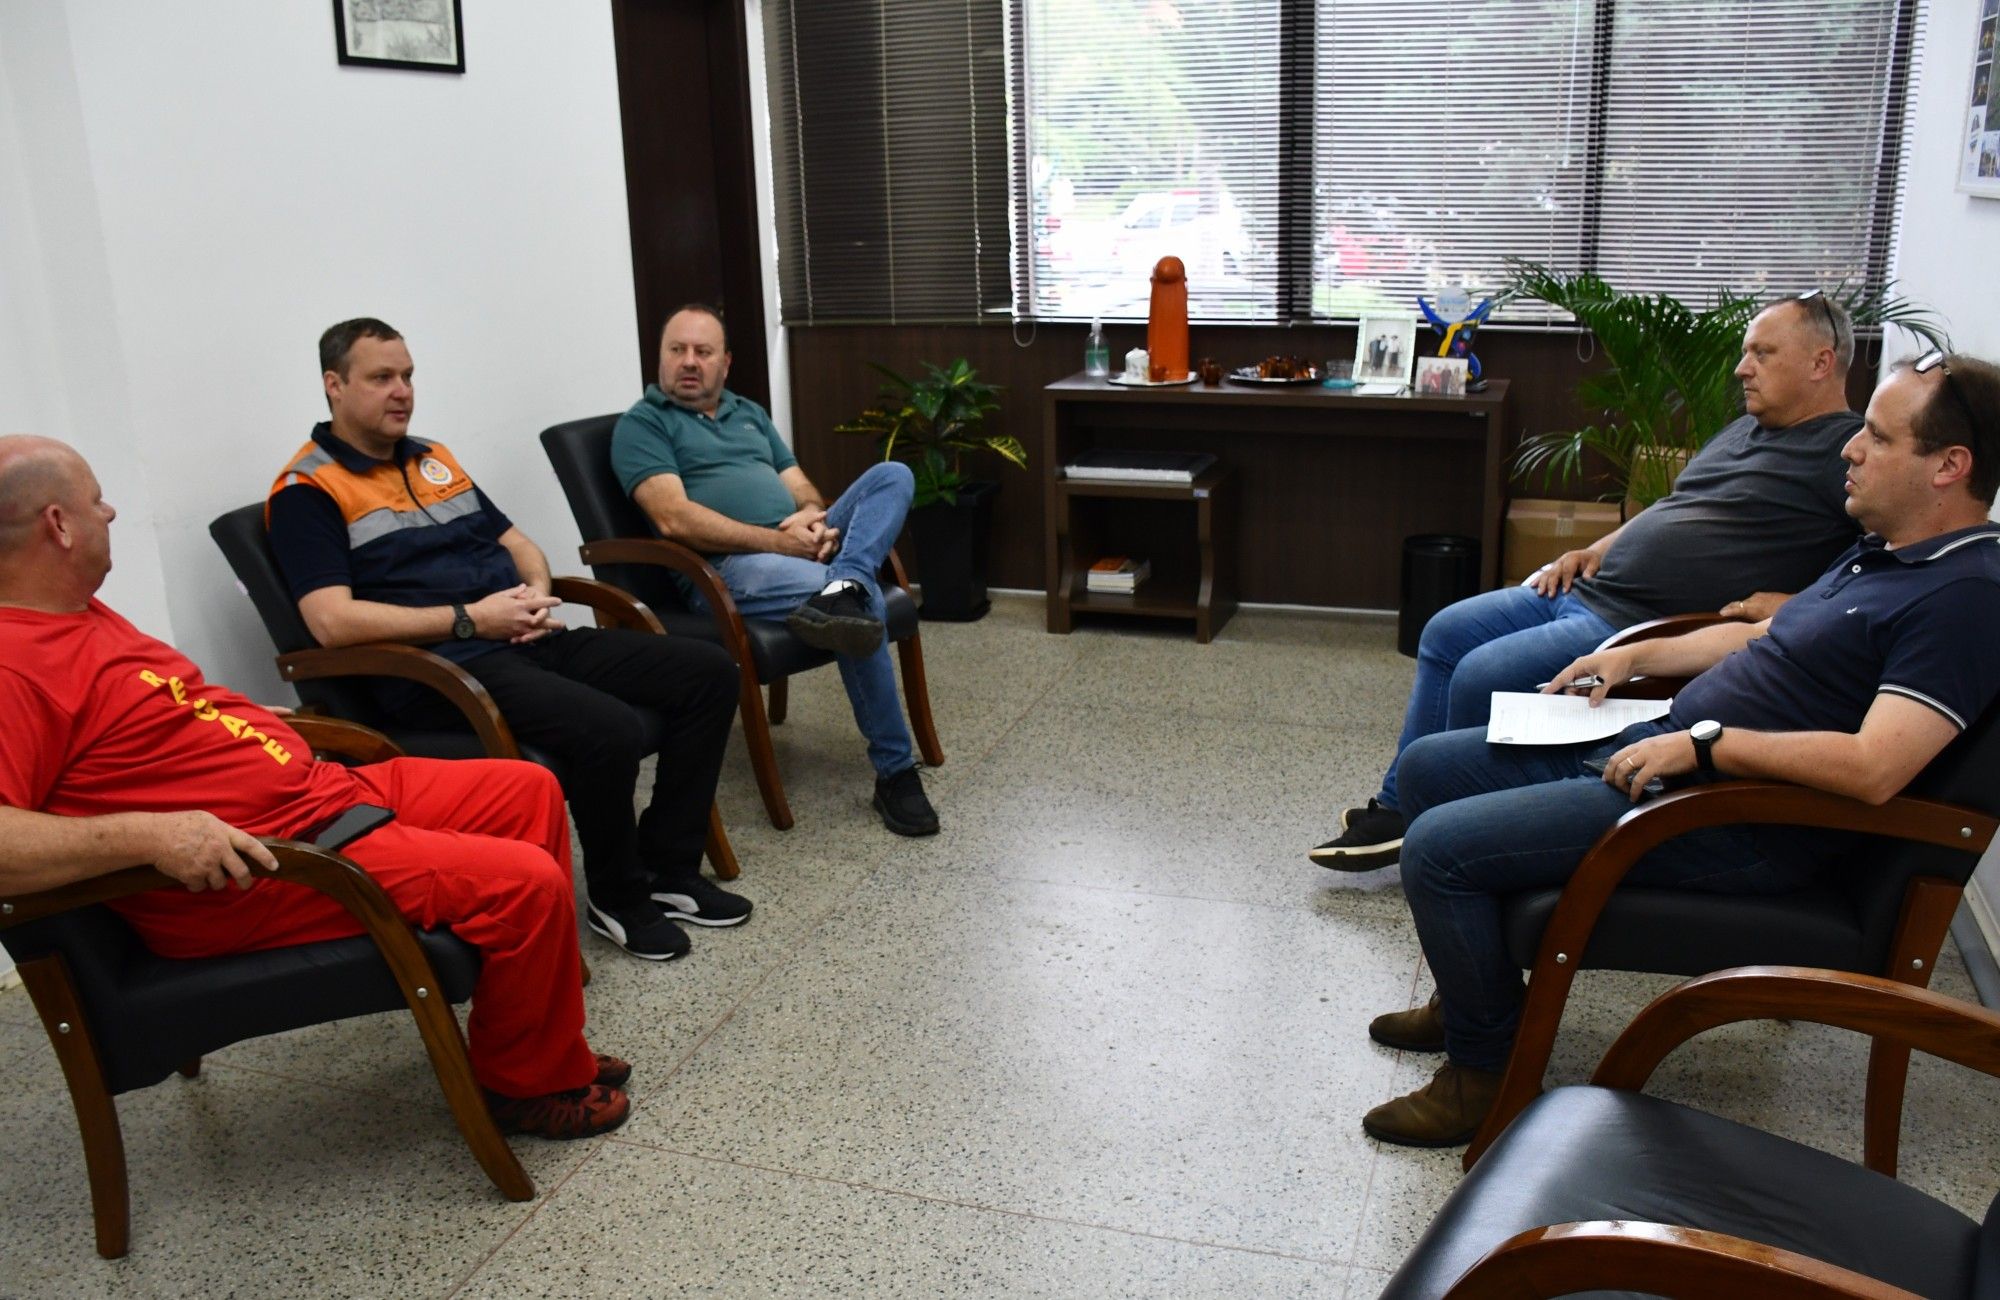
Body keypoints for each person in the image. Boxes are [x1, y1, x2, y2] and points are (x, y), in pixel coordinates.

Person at [1359, 351, 2000, 1147]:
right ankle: (1472, 999)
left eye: (1877, 436)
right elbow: (1762, 635)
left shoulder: (1965, 599)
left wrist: (1707, 748)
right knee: (1430, 770)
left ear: (1949, 466)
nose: (1850, 447)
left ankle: (1484, 1075)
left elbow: (1875, 768)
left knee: (1435, 851)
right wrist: (1634, 657)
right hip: (1674, 755)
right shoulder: (1886, 552)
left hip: (1737, 818)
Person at [0, 436, 630, 1139]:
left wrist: (244, 725)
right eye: (96, 501)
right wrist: (154, 835)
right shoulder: (12, 664)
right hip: (261, 866)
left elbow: (148, 721)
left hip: (314, 795)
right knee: (524, 885)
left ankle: (533, 1037)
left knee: (526, 789)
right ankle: (524, 1086)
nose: (111, 512)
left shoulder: (75, 610)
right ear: (58, 525)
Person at [1313, 292, 1866, 870]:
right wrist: (1593, 549)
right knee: (1446, 631)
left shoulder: (1844, 452)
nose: (1741, 368)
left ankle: (1448, 835)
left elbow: (1872, 570)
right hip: (1591, 588)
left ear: (1821, 363)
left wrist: (1792, 602)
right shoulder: (1744, 429)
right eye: (1745, 352)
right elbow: (1673, 508)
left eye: (1762, 354)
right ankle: (1402, 809)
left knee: (1481, 674)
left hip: (1636, 622)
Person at [267, 318, 750, 963]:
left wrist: (534, 599)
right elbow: (331, 622)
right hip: (441, 671)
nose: (402, 391)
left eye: (407, 375)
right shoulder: (307, 491)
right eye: (382, 378)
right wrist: (472, 618)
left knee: (708, 672)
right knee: (607, 727)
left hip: (516, 635)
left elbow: (518, 543)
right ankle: (619, 896)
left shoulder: (432, 457)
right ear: (334, 385)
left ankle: (669, 868)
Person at [610, 304, 940, 837]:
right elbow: (674, 519)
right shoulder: (644, 424)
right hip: (731, 567)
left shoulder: (749, 413)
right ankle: (896, 772)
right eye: (677, 350)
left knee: (893, 475)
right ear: (660, 357)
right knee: (860, 605)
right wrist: (783, 543)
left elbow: (800, 484)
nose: (689, 361)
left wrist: (812, 518)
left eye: (702, 351)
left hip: (796, 543)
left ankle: (848, 578)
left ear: (725, 363)